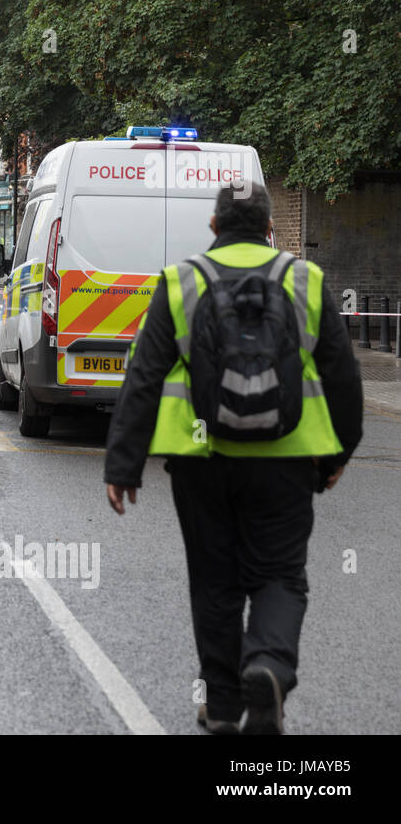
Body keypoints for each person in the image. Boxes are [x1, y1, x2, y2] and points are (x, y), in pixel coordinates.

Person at [104, 184, 362, 736]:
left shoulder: (180, 281)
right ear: (270, 229)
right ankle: (267, 664)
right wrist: (339, 452)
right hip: (288, 461)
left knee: (214, 583)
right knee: (279, 576)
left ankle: (221, 708)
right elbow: (343, 378)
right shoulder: (306, 280)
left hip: (201, 459)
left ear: (215, 227)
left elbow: (144, 376)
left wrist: (123, 465)